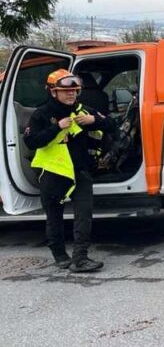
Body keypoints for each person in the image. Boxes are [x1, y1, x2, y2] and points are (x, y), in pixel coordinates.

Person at [23, 69, 114, 273]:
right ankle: (60, 256)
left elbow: (111, 125)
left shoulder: (83, 110)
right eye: (66, 91)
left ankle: (80, 258)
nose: (71, 94)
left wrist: (94, 121)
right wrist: (57, 128)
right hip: (53, 173)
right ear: (53, 92)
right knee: (54, 216)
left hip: (79, 171)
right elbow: (31, 141)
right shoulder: (42, 114)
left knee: (84, 214)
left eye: (74, 90)